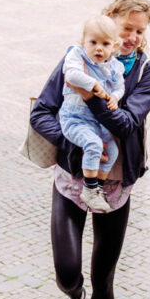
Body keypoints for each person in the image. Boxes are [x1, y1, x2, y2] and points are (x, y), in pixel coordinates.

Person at [30, 0, 150, 299]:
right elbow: (41, 112)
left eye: (139, 31)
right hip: (73, 179)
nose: (132, 38)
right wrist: (72, 140)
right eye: (126, 28)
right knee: (67, 270)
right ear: (109, 20)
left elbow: (126, 122)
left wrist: (89, 95)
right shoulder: (75, 59)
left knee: (104, 275)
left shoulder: (147, 72)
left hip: (115, 187)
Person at [59, 16, 126, 214]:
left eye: (105, 44)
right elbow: (71, 76)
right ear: (84, 41)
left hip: (97, 122)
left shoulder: (113, 65)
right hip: (74, 119)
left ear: (113, 46)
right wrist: (93, 84)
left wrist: (114, 96)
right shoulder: (77, 55)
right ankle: (89, 190)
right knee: (94, 144)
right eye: (93, 42)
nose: (98, 48)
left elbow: (119, 86)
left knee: (112, 150)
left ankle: (98, 188)